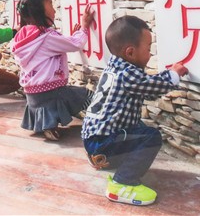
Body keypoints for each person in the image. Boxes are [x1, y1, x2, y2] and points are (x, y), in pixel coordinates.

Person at [81, 15, 189, 206]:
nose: (150, 54)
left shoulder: (114, 67)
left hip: (93, 143)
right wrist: (174, 73)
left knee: (137, 127)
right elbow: (153, 86)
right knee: (151, 137)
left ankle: (100, 159)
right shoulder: (127, 74)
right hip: (102, 144)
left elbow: (145, 87)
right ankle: (122, 183)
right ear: (130, 52)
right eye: (148, 48)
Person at [11, 0, 95, 141]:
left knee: (57, 99)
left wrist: (68, 38)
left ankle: (46, 124)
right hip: (52, 92)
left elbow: (48, 50)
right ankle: (52, 124)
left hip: (32, 95)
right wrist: (84, 28)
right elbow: (76, 44)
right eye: (50, 4)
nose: (54, 9)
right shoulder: (47, 36)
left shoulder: (22, 36)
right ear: (39, 10)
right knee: (88, 96)